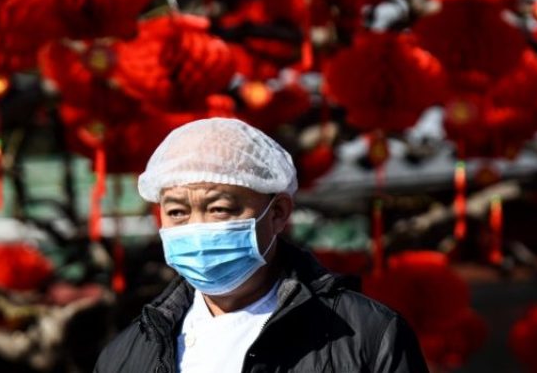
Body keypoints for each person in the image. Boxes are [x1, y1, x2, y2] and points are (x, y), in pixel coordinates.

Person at [94, 117, 428, 373]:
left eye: (219, 208)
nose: (197, 228)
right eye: (177, 212)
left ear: (278, 212)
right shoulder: (127, 355)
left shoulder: (365, 335)